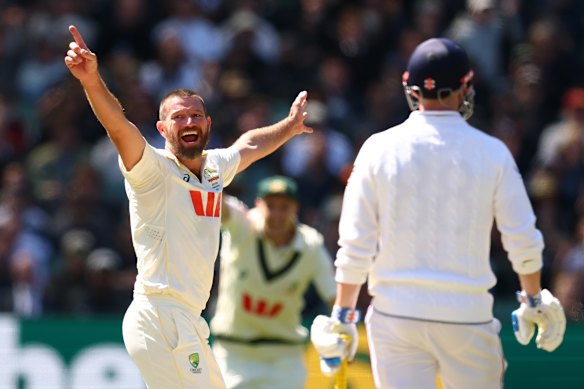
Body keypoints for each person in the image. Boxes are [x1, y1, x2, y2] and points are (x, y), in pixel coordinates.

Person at [64, 25, 313, 389]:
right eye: (178, 118)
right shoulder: (153, 170)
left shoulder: (213, 169)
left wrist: (288, 128)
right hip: (157, 316)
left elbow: (249, 145)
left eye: (195, 115)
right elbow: (118, 126)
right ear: (162, 129)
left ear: (208, 124)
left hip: (190, 320)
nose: (189, 122)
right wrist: (91, 80)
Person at [310, 37, 567, 389]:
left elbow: (355, 244)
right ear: (465, 88)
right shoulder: (492, 152)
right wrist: (533, 298)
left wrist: (342, 313)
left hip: (395, 317)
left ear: (410, 89)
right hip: (466, 316)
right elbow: (522, 238)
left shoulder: (377, 148)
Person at [210, 175, 336, 389]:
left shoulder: (310, 245)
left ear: (295, 208)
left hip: (284, 357)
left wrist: (342, 328)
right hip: (234, 352)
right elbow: (219, 205)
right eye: (270, 206)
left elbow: (334, 297)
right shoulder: (243, 227)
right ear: (258, 205)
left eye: (284, 207)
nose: (276, 215)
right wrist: (206, 175)